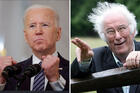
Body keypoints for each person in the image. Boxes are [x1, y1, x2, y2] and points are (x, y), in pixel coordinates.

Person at [71, 2, 140, 93]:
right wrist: (85, 61)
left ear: (132, 30)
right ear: (104, 37)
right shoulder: (97, 57)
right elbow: (70, 76)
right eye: (110, 31)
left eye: (122, 28)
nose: (118, 36)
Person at [0, 4, 69, 91]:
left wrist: (55, 80)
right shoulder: (12, 73)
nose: (38, 31)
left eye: (45, 25)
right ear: (26, 36)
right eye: (32, 26)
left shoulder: (70, 69)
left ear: (58, 34)